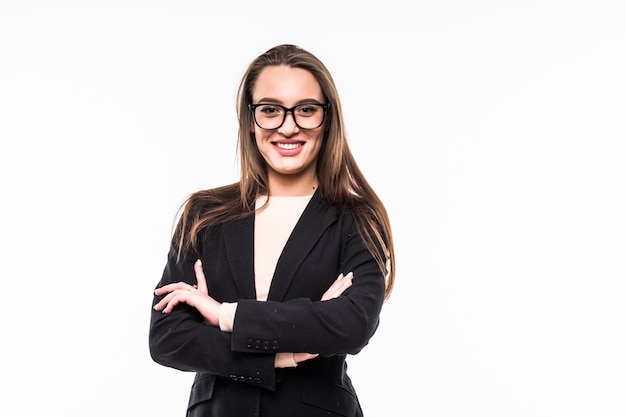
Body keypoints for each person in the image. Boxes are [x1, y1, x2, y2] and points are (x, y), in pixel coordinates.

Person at [149, 44, 396, 417]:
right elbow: (168, 338)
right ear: (250, 119)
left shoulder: (355, 218)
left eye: (306, 110)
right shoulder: (204, 215)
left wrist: (223, 316)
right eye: (270, 110)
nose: (288, 126)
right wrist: (284, 352)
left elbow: (352, 324)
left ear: (327, 119)